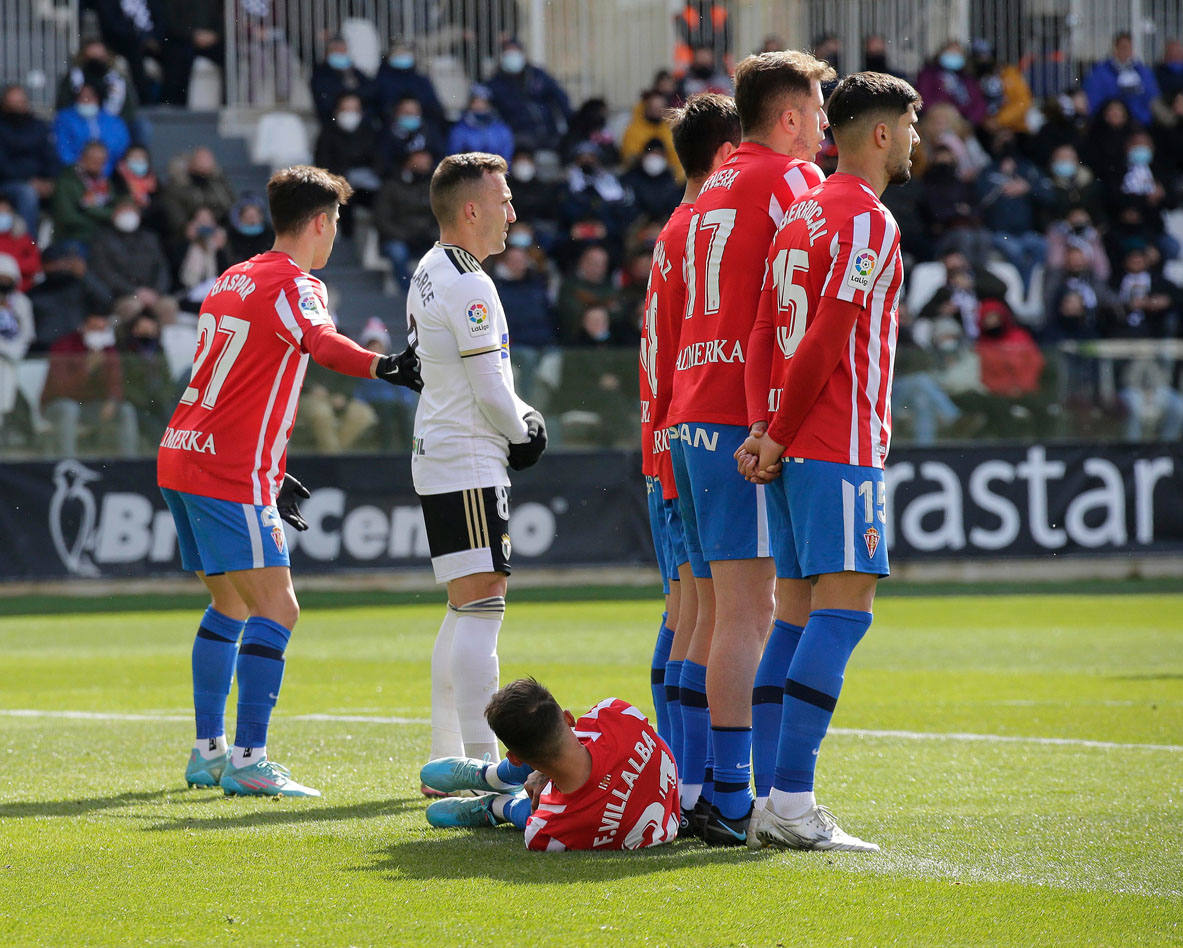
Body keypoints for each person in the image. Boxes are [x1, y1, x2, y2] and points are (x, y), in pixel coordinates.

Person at [158, 165, 422, 798]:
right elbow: (323, 344)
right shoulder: (296, 282)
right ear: (320, 224)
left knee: (231, 604)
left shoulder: (232, 276)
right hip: (226, 469)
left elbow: (240, 376)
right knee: (279, 608)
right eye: (335, 225)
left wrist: (271, 469)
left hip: (183, 452)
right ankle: (249, 761)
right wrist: (387, 366)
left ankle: (208, 752)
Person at [738, 70, 922, 852]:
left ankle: (766, 796)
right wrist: (777, 434)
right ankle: (791, 798)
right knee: (843, 614)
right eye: (909, 127)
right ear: (880, 135)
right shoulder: (867, 221)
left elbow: (759, 335)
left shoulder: (800, 212)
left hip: (789, 438)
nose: (916, 141)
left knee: (795, 615)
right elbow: (826, 338)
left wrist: (760, 427)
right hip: (834, 440)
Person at [664, 50, 832, 845]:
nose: (826, 130)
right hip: (739, 413)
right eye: (819, 113)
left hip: (686, 410)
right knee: (746, 611)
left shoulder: (713, 187)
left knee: (706, 610)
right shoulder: (791, 183)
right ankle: (734, 799)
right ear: (789, 117)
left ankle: (701, 782)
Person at [405, 152, 547, 784]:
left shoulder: (431, 269)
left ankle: (447, 756)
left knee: (464, 609)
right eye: (503, 200)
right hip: (467, 458)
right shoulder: (469, 283)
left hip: (441, 450)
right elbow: (490, 389)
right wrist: (526, 428)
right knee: (484, 607)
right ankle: (479, 767)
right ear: (471, 209)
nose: (512, 212)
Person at [637, 93, 740, 819]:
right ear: (729, 154)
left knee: (686, 610)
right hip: (688, 436)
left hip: (663, 439)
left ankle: (681, 775)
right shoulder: (702, 231)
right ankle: (698, 781)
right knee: (704, 610)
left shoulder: (676, 228)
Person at [419, 678, 680, 851]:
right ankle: (489, 777)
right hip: (668, 812)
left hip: (567, 798)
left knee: (534, 797)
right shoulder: (615, 712)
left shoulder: (542, 831)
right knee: (558, 741)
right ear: (569, 718)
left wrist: (544, 774)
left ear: (515, 758)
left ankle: (496, 806)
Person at [42, 311, 138, 457]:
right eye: (95, 328)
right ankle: (68, 461)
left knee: (126, 410)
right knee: (69, 409)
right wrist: (86, 368)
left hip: (91, 407)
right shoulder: (64, 347)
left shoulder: (108, 350)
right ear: (83, 328)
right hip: (57, 406)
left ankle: (130, 461)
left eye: (102, 329)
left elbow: (116, 382)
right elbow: (60, 389)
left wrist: (112, 400)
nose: (99, 334)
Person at [88, 195, 178, 325]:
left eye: (131, 211)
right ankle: (127, 342)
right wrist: (135, 292)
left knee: (169, 305)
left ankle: (166, 342)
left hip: (153, 293)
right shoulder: (102, 240)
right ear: (114, 214)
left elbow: (162, 268)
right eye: (123, 211)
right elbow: (105, 274)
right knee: (132, 307)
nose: (128, 215)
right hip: (122, 296)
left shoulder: (149, 238)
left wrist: (156, 291)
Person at [486, 39, 572, 152]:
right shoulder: (495, 83)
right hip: (518, 136)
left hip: (548, 131)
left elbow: (560, 98)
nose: (512, 56)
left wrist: (570, 123)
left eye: (515, 51)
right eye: (508, 52)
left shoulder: (538, 76)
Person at [50, 141, 127, 246]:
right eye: (93, 159)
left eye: (102, 161)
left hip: (103, 237)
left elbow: (114, 203)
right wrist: (107, 217)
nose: (98, 164)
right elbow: (67, 218)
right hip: (74, 237)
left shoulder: (105, 182)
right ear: (82, 158)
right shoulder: (67, 181)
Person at [1084, 32, 1160, 127]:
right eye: (1122, 47)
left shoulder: (1143, 72)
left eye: (1128, 48)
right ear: (1115, 49)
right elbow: (1093, 100)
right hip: (1109, 123)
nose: (1125, 51)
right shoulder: (1100, 72)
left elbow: (1152, 97)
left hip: (1140, 123)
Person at [53, 85, 131, 175]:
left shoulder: (113, 121)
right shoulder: (65, 119)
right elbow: (62, 147)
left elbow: (122, 147)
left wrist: (106, 166)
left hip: (110, 172)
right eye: (82, 97)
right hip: (76, 172)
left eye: (90, 97)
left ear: (97, 98)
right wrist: (78, 167)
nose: (86, 100)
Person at [446, 85, 515, 161]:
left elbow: (507, 155)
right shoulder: (460, 130)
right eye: (476, 102)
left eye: (483, 102)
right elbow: (454, 155)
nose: (479, 106)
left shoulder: (501, 129)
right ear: (470, 104)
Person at [0, 195, 42, 292]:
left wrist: (10, 265)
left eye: (5, 211)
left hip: (19, 292)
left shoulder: (23, 237)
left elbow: (35, 263)